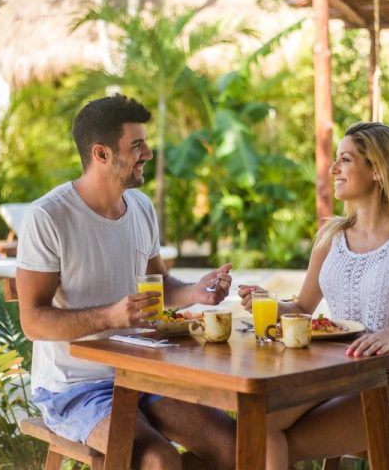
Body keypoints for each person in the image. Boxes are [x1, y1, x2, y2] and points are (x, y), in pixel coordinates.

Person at [17, 94, 236, 470]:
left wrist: (194, 292)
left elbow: (159, 285)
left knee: (234, 447)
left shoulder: (141, 208)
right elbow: (33, 322)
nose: (148, 153)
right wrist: (110, 316)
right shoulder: (48, 216)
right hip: (74, 388)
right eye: (137, 145)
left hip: (143, 375)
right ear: (101, 154)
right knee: (159, 461)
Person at [238, 121, 389, 469]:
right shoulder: (332, 235)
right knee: (257, 423)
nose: (333, 169)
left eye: (344, 160)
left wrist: (388, 333)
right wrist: (267, 302)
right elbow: (302, 307)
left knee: (273, 436)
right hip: (331, 379)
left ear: (377, 169)